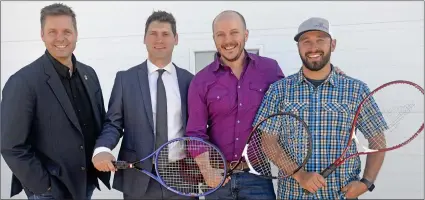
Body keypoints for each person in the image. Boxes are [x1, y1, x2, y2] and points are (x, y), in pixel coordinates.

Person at [253, 17, 386, 200]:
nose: (313, 47)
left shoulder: (356, 90)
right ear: (298, 47)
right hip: (293, 195)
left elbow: (377, 138)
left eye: (320, 40)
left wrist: (366, 183)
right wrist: (300, 175)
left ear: (333, 44)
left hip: (341, 195)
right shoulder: (279, 90)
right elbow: (268, 142)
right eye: (306, 41)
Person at [1, 3, 111, 200]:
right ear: (42, 35)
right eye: (52, 31)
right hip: (51, 191)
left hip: (86, 184)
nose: (60, 38)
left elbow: (98, 124)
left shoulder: (89, 74)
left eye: (67, 31)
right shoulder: (23, 82)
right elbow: (11, 146)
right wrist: (45, 186)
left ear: (76, 34)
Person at [91, 11, 195, 200]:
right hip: (139, 176)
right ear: (144, 38)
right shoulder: (125, 79)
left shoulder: (190, 81)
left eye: (165, 34)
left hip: (182, 177)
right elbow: (113, 124)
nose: (159, 39)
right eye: (153, 33)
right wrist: (102, 149)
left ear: (176, 39)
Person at [185, 10, 284, 199]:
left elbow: (293, 98)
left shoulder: (270, 70)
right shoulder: (201, 80)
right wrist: (207, 171)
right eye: (220, 34)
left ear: (245, 35)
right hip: (218, 177)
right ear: (214, 38)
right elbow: (195, 133)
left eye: (234, 32)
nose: (227, 40)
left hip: (258, 175)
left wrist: (329, 73)